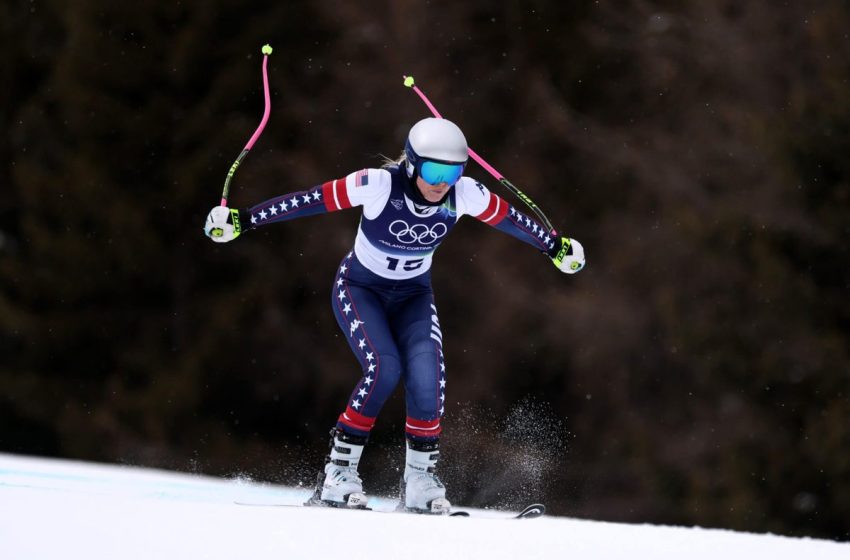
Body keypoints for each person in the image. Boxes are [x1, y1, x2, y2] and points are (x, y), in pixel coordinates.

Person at [204, 117, 585, 514]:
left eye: (452, 173)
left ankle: (419, 480)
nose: (442, 183)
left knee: (427, 372)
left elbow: (511, 219)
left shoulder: (465, 194)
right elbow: (310, 200)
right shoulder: (379, 185)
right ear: (412, 163)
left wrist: (553, 246)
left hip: (413, 296)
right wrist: (244, 220)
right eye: (434, 171)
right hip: (360, 289)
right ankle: (338, 474)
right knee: (384, 368)